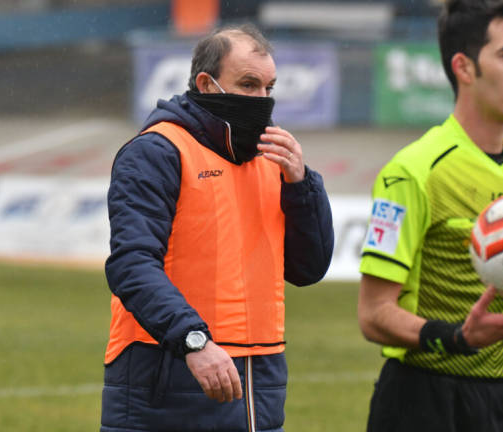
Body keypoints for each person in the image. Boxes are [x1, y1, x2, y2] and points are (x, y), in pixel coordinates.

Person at [101, 24, 334, 432]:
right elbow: (131, 265)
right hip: (168, 372)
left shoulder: (274, 159)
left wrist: (303, 186)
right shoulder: (157, 151)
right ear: (207, 84)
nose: (262, 100)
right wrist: (194, 340)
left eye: (269, 87)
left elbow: (308, 269)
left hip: (259, 382)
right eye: (248, 85)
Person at [357, 0, 503, 431]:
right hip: (425, 401)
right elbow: (373, 314)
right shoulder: (411, 172)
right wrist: (459, 339)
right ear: (464, 68)